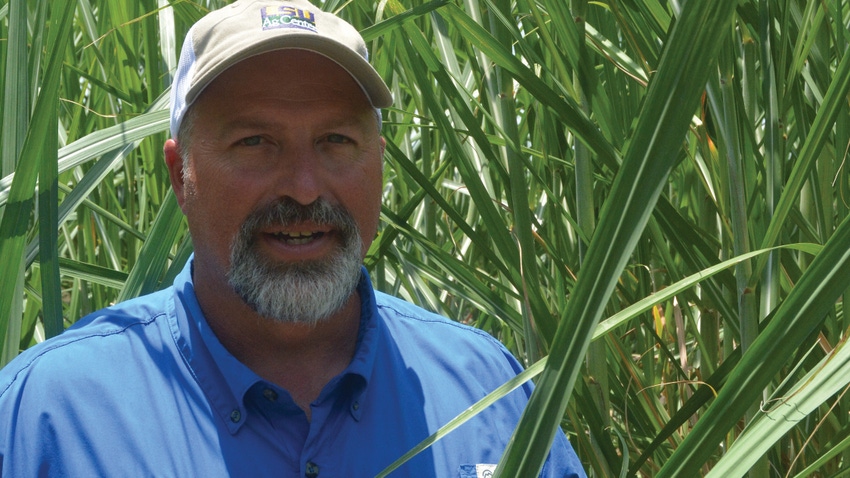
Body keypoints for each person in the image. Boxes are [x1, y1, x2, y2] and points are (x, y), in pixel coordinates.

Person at [0, 1, 585, 476]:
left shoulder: (490, 390)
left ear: (378, 164)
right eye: (256, 142)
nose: (305, 190)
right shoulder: (48, 415)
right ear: (181, 175)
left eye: (335, 141)